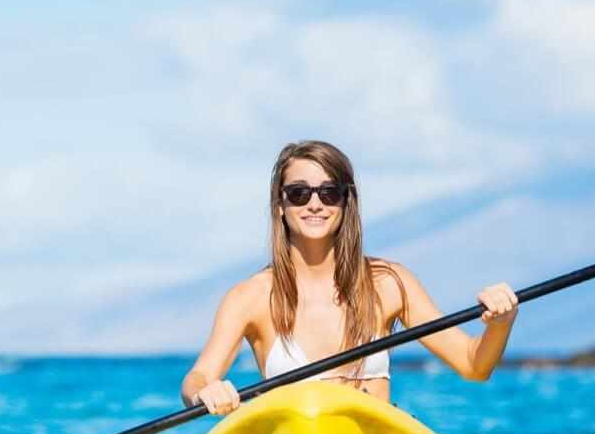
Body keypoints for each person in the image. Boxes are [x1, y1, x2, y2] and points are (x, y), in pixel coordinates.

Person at [181, 140, 519, 415]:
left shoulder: (388, 283)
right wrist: (206, 392)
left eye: (329, 193)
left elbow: (473, 365)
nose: (315, 203)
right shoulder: (250, 297)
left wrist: (500, 324)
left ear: (346, 203)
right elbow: (197, 378)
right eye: (299, 193)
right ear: (280, 205)